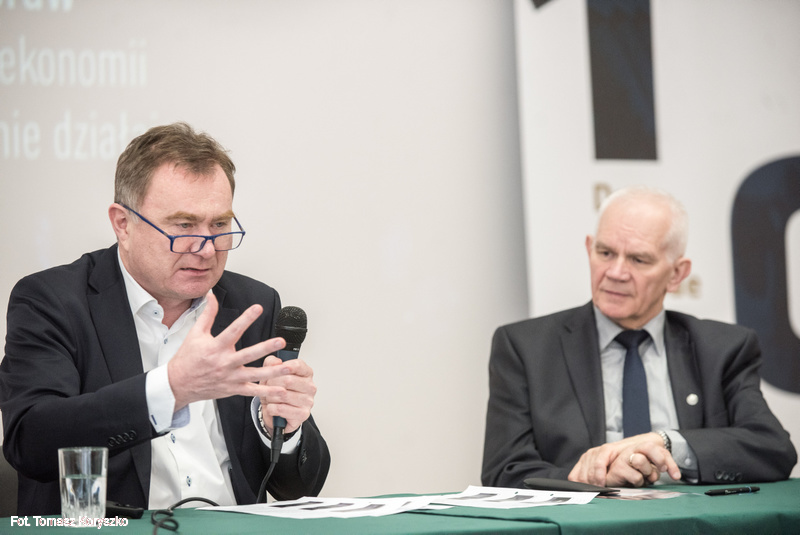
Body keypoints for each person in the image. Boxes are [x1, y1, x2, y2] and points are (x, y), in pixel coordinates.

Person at [1, 122, 331, 515]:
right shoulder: (54, 302)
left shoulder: (252, 305)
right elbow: (31, 442)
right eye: (184, 225)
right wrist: (170, 389)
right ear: (123, 224)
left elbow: (298, 488)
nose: (206, 249)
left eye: (219, 225)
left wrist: (284, 429)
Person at [482, 186, 796, 489]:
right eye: (605, 253)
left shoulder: (722, 348)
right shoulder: (527, 348)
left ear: (676, 274)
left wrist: (666, 442)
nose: (615, 272)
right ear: (589, 248)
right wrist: (595, 478)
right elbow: (504, 470)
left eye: (638, 260)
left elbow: (772, 448)